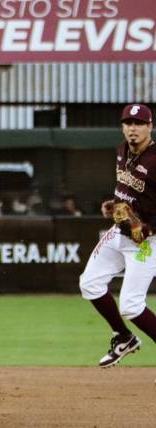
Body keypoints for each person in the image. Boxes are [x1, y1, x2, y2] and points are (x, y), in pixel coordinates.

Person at [79, 103, 156, 368]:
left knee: (131, 306)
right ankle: (124, 337)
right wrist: (114, 205)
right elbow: (128, 190)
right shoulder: (122, 150)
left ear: (150, 127)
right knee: (89, 284)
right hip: (120, 231)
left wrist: (149, 228)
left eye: (139, 123)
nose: (133, 128)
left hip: (146, 243)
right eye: (128, 123)